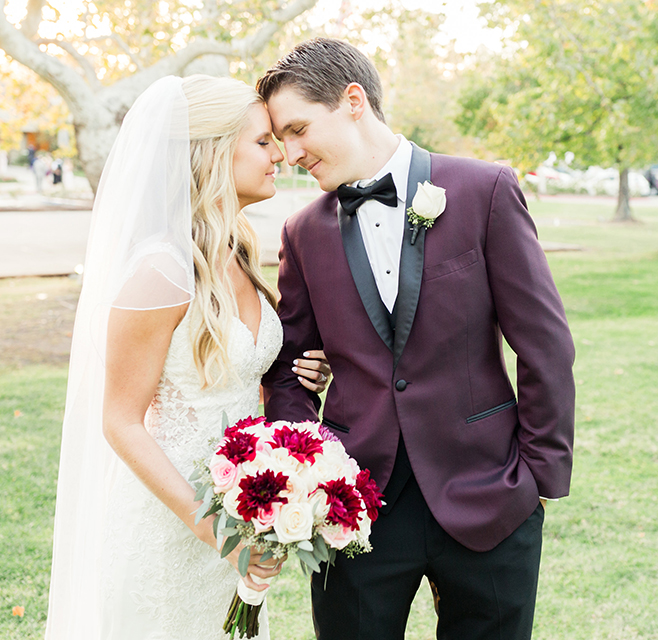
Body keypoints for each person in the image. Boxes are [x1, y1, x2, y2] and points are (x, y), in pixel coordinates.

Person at [258, 38, 576, 639]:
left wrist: (538, 476)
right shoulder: (303, 232)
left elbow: (544, 344)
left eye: (299, 129)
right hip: (355, 506)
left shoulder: (484, 190)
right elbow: (287, 366)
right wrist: (303, 474)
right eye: (281, 139)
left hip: (490, 490)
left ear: (353, 101)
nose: (292, 153)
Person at [45, 75, 331, 639]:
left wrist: (299, 379)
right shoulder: (163, 268)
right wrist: (217, 534)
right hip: (171, 520)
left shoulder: (234, 251)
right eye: (263, 142)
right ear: (212, 153)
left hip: (240, 505)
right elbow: (121, 421)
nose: (281, 155)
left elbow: (236, 378)